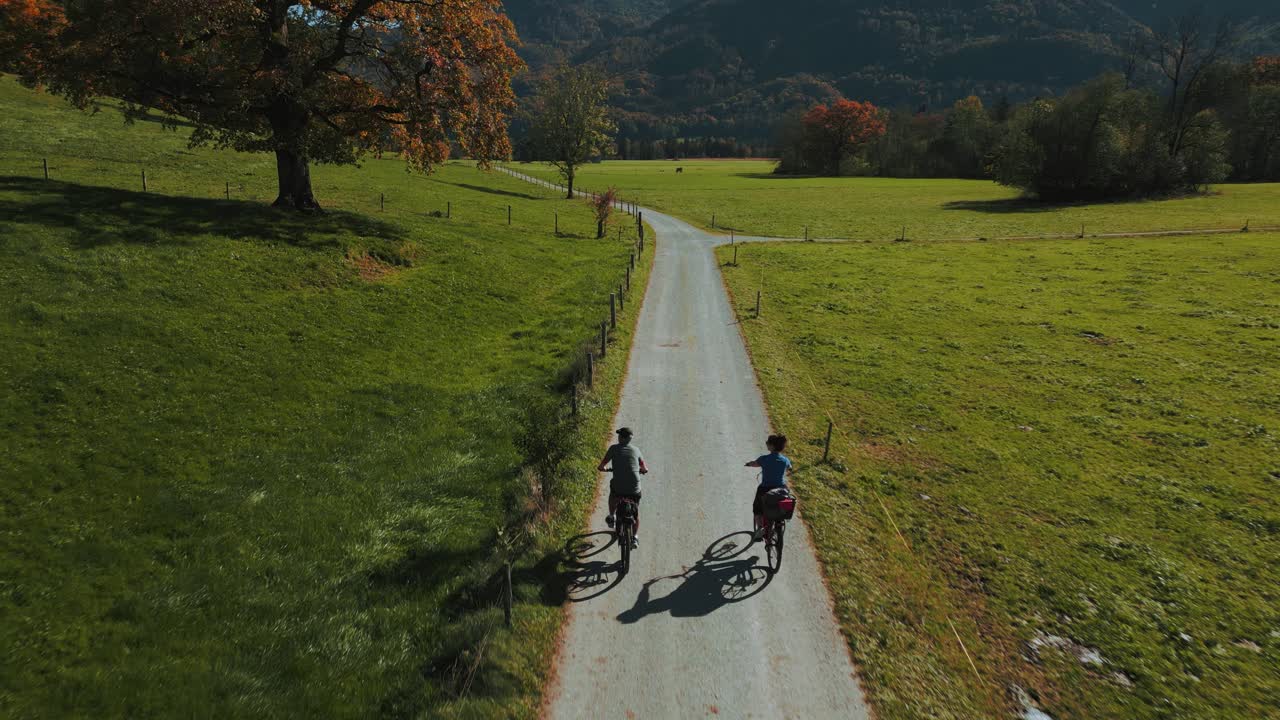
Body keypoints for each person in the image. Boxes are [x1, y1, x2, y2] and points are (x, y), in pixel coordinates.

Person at [599, 427, 648, 547]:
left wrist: (604, 469)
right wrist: (642, 470)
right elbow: (645, 468)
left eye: (619, 435)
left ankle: (611, 516)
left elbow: (602, 465)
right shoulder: (636, 450)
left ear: (621, 437)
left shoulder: (613, 448)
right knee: (635, 513)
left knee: (613, 492)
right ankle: (635, 538)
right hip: (634, 488)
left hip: (619, 487)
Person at [745, 434, 792, 541]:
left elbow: (755, 464)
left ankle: (760, 528)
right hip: (781, 489)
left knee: (757, 509)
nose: (766, 444)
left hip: (765, 489)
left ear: (771, 446)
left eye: (767, 443)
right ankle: (777, 524)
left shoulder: (764, 459)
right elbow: (790, 467)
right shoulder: (785, 460)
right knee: (779, 507)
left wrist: (748, 464)